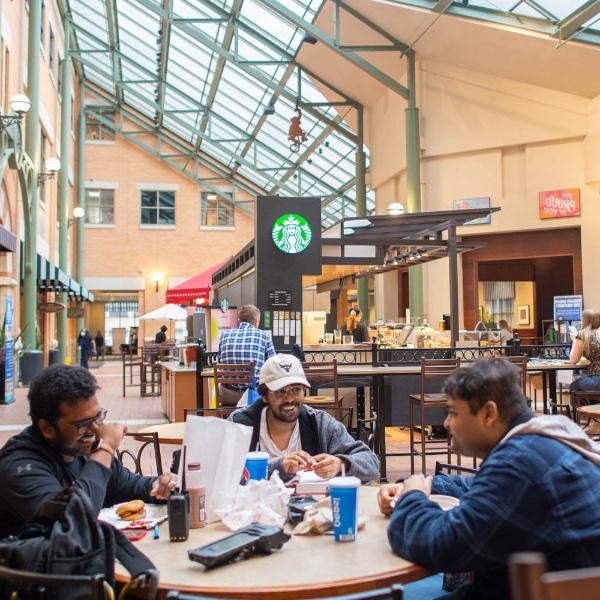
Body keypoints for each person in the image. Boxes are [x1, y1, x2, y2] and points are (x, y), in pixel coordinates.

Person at [377, 358, 600, 600]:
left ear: (488, 413)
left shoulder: (519, 464)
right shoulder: (545, 439)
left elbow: (440, 547)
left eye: (453, 412)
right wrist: (428, 485)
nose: (446, 423)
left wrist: (413, 497)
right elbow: (481, 487)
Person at [0, 365, 176, 538]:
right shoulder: (19, 466)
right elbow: (72, 522)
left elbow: (127, 485)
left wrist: (158, 485)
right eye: (82, 424)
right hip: (29, 565)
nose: (95, 429)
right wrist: (105, 448)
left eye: (98, 417)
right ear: (47, 428)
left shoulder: (82, 449)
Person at [229, 354, 379, 482]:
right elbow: (221, 473)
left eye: (296, 390)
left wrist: (341, 463)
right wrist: (279, 468)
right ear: (265, 396)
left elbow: (371, 462)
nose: (289, 399)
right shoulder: (240, 425)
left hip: (313, 510)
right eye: (280, 392)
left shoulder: (320, 423)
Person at [217, 304, 276, 406]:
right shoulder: (264, 336)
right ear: (256, 321)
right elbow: (274, 364)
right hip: (253, 395)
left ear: (239, 320)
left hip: (227, 395)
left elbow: (220, 360)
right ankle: (259, 420)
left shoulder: (225, 335)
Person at [569, 308, 600, 394]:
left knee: (574, 387)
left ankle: (584, 407)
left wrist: (575, 340)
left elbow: (573, 360)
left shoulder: (583, 334)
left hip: (597, 379)